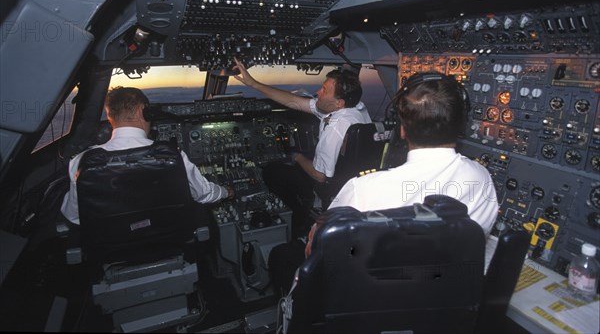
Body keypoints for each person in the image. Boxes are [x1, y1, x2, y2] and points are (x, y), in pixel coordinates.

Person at [271, 71, 498, 297]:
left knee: (282, 257)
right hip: (443, 305)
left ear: (402, 129)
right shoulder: (482, 179)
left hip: (372, 302)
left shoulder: (362, 190)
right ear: (461, 124)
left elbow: (316, 248)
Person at [231, 57, 371, 236]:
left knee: (272, 171)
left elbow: (319, 175)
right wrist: (253, 83)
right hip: (351, 181)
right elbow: (294, 102)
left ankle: (299, 211)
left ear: (339, 103)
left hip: (329, 187)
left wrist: (297, 157)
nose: (318, 92)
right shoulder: (356, 107)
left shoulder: (335, 127)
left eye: (324, 90)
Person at [60, 86, 233, 225]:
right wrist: (227, 192)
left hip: (113, 249)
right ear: (143, 111)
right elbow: (203, 194)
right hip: (168, 240)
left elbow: (74, 216)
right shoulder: (171, 155)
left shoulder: (82, 161)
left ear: (109, 114)